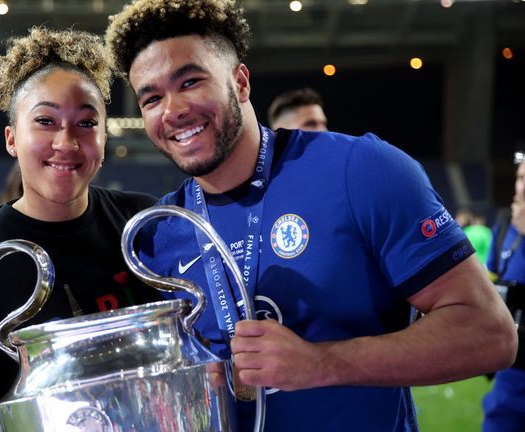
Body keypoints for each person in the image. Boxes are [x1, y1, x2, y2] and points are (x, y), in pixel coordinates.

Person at [105, 1, 518, 430]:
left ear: (241, 82)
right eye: (151, 98)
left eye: (190, 81)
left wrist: (323, 363)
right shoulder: (159, 234)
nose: (172, 110)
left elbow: (490, 333)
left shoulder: (360, 169)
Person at [0, 27, 162, 432]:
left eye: (86, 123)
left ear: (103, 137)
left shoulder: (146, 226)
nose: (66, 142)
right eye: (45, 121)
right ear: (12, 139)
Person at [483, 157, 525, 432]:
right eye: (521, 178)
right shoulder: (503, 229)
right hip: (509, 378)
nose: (522, 188)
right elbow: (491, 291)